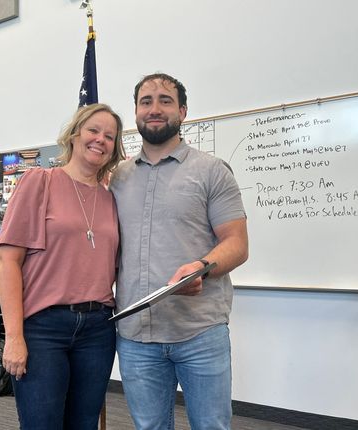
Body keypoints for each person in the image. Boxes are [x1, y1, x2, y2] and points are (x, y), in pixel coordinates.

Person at [109, 73, 249, 430]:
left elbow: (237, 243)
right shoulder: (117, 178)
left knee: (211, 427)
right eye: (146, 101)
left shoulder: (211, 171)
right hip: (136, 337)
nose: (154, 109)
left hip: (199, 332)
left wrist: (202, 266)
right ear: (137, 112)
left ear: (183, 111)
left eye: (165, 100)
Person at [0, 103, 126, 429]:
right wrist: (14, 337)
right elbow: (9, 263)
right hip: (43, 329)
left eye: (109, 136)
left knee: (83, 424)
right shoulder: (40, 182)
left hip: (98, 329)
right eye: (93, 130)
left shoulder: (113, 198)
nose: (100, 140)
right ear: (75, 134)